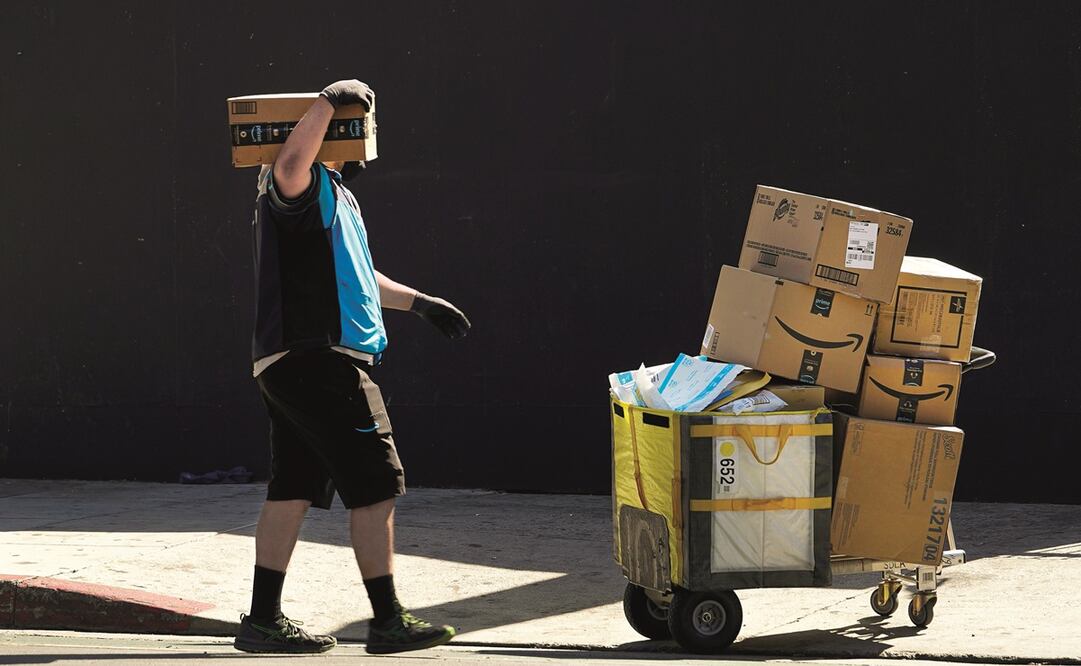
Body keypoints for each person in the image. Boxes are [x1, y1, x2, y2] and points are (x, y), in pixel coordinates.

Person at [233, 79, 471, 655]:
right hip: (321, 361)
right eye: (355, 126)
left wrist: (421, 303)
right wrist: (327, 101)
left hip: (291, 363)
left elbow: (361, 276)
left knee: (291, 490)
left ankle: (262, 620)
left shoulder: (333, 193)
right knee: (374, 484)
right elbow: (292, 160)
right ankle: (388, 619)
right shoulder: (298, 183)